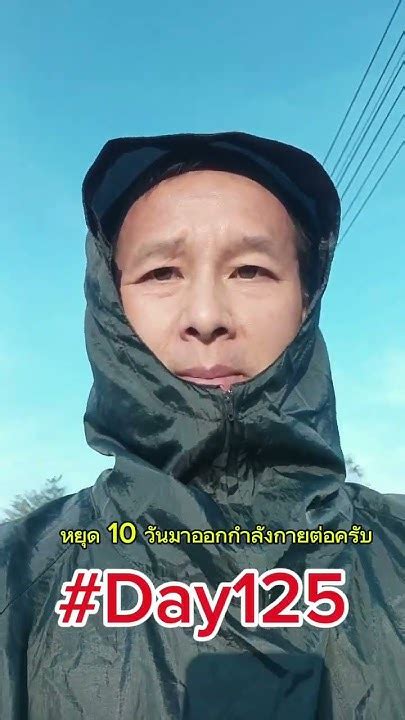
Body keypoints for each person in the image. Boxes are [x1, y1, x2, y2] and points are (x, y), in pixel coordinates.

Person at [0, 131, 404, 720]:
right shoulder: (17, 576)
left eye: (250, 270)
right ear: (110, 304)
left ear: (305, 300)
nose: (207, 316)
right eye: (162, 272)